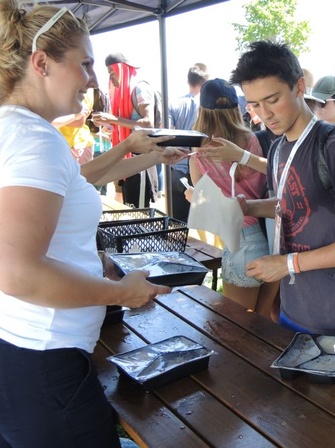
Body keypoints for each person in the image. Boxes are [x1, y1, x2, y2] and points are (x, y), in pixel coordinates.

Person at [0, 3, 175, 446]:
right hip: (45, 361)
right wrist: (122, 293)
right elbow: (17, 271)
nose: (94, 79)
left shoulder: (14, 130)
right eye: (85, 64)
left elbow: (74, 184)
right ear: (41, 63)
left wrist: (150, 155)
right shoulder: (36, 140)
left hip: (17, 349)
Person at [229, 41, 335, 368]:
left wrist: (287, 265)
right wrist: (249, 207)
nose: (264, 114)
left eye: (273, 100)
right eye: (255, 104)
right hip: (295, 310)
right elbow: (292, 205)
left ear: (299, 86)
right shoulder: (276, 149)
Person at [188, 78, 278, 316]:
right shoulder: (251, 140)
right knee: (265, 320)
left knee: (239, 328)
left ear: (202, 111)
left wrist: (191, 195)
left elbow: (205, 199)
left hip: (239, 242)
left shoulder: (199, 150)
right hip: (270, 237)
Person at [92, 52, 160, 208]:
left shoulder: (140, 89)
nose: (111, 79)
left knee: (140, 213)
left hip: (141, 159)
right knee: (130, 208)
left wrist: (113, 119)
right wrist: (109, 125)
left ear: (122, 70)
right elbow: (125, 124)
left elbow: (148, 123)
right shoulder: (122, 94)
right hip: (127, 159)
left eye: (112, 73)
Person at [168, 62, 209, 222]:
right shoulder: (207, 107)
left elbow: (169, 134)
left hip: (177, 168)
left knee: (178, 223)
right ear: (205, 82)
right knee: (204, 224)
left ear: (188, 80)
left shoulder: (174, 104)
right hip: (201, 170)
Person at [52, 88, 96, 165]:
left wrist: (46, 117)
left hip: (76, 146)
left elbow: (78, 121)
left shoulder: (84, 84)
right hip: (55, 146)